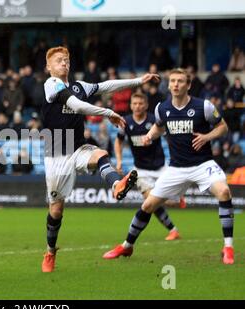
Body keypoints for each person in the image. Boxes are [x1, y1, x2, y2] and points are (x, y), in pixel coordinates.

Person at [40, 46, 160, 272]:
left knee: (100, 154)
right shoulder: (51, 85)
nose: (64, 63)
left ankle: (117, 185)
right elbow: (76, 105)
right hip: (56, 153)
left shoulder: (78, 86)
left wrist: (137, 81)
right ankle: (50, 251)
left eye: (66, 59)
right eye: (58, 60)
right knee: (56, 211)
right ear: (49, 67)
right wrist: (108, 113)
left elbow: (106, 86)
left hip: (77, 147)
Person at [103, 68, 235, 265]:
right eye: (172, 81)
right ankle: (127, 246)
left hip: (202, 164)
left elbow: (223, 126)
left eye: (180, 81)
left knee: (224, 192)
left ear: (188, 85)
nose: (175, 84)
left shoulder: (204, 106)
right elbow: (158, 125)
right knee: (147, 205)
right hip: (176, 168)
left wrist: (207, 137)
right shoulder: (161, 109)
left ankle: (228, 247)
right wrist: (150, 135)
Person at [115, 92, 183, 241]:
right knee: (149, 200)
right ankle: (173, 230)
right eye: (134, 103)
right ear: (130, 105)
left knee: (171, 202)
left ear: (146, 105)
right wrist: (119, 160)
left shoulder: (154, 120)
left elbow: (170, 137)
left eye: (140, 103)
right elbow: (118, 141)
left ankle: (177, 200)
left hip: (160, 167)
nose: (137, 106)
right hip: (141, 170)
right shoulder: (125, 122)